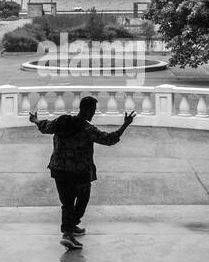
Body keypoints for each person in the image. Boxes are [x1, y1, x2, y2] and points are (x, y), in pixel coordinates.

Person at [30, 95, 135, 248]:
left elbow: (45, 126)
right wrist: (125, 124)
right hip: (79, 173)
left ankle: (69, 229)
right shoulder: (87, 129)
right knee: (82, 201)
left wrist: (35, 120)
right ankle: (68, 232)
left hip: (59, 170)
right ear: (87, 110)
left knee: (67, 203)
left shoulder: (62, 122)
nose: (93, 114)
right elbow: (109, 139)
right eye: (92, 111)